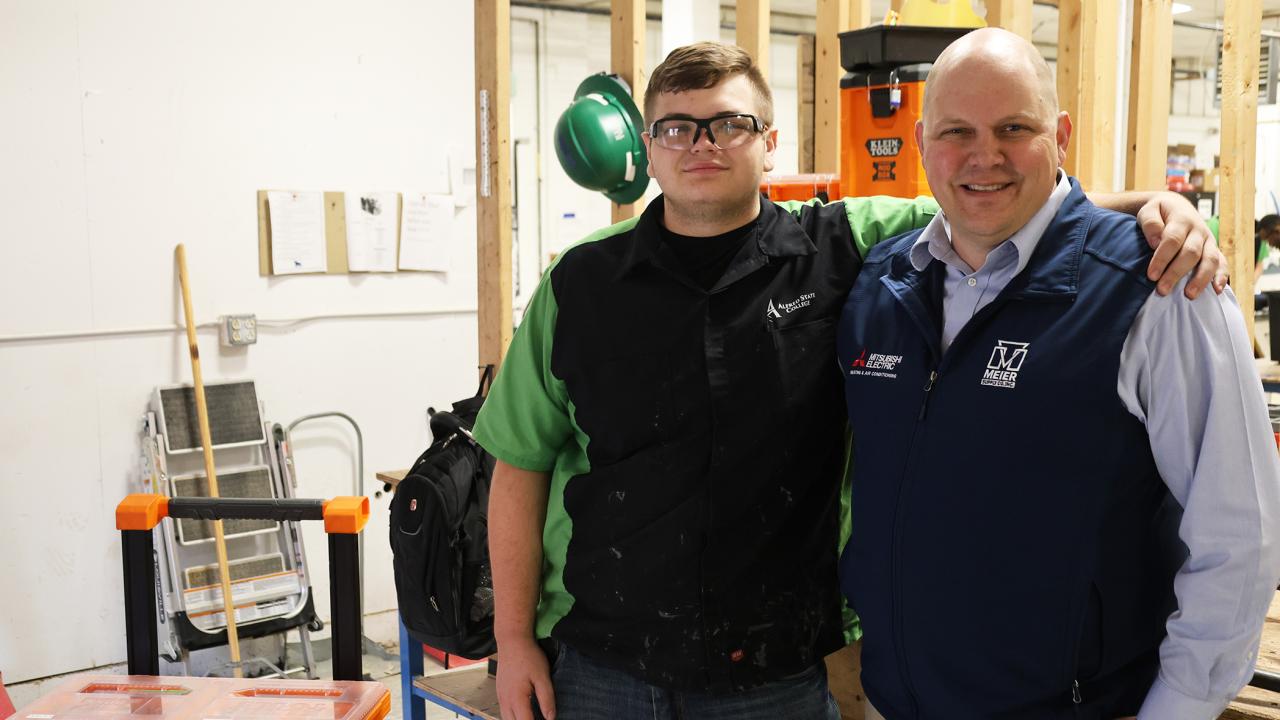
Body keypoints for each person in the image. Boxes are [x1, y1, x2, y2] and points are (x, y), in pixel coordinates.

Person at [475, 41, 1225, 720]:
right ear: (649, 147)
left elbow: (990, 202)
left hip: (774, 672)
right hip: (601, 663)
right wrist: (514, 643)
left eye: (729, 124)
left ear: (769, 143)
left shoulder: (842, 247)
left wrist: (1153, 211)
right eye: (677, 127)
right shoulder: (579, 283)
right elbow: (519, 468)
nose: (702, 144)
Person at [837, 28, 1280, 720]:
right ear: (922, 141)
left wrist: (1181, 707)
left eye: (1015, 127)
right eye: (958, 131)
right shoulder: (878, 282)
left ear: (1061, 134)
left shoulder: (1159, 288)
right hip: (897, 701)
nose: (985, 155)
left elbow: (1240, 534)